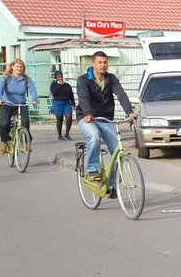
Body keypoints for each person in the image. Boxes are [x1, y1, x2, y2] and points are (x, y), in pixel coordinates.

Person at [76, 51, 136, 199]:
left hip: (106, 118)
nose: (103, 65)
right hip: (86, 117)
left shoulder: (111, 78)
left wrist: (130, 112)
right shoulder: (83, 80)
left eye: (105, 62)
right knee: (94, 136)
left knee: (117, 149)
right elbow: (83, 98)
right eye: (99, 62)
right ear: (93, 63)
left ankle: (113, 183)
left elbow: (121, 94)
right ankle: (92, 170)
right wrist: (88, 113)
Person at [0, 59, 38, 155]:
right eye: (17, 66)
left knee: (25, 121)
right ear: (12, 67)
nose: (19, 68)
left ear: (23, 69)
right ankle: (4, 141)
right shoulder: (6, 78)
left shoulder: (26, 79)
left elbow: (33, 90)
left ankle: (26, 142)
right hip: (7, 103)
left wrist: (33, 100)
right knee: (4, 124)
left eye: (21, 67)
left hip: (21, 104)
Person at [49, 70, 76, 140]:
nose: (60, 78)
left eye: (61, 76)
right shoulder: (53, 85)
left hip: (66, 103)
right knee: (59, 119)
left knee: (69, 118)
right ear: (56, 78)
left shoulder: (67, 85)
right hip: (58, 103)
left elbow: (71, 95)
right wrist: (59, 85)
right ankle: (59, 135)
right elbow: (54, 93)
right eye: (58, 77)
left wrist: (73, 104)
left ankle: (67, 134)